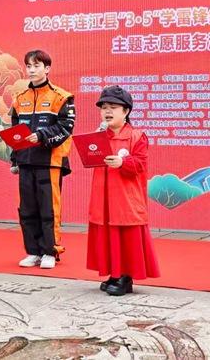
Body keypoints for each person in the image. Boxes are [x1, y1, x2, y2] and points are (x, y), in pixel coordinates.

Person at [86, 86, 160, 296]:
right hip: (103, 196)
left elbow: (141, 164)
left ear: (126, 111)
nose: (107, 111)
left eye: (113, 107)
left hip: (126, 198)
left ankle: (125, 277)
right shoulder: (99, 136)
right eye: (104, 108)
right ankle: (114, 274)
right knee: (108, 234)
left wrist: (123, 162)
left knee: (126, 235)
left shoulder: (137, 136)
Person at [10, 49, 75, 269]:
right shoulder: (20, 98)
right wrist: (15, 159)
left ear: (47, 68)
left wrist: (41, 135)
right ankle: (33, 251)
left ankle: (50, 251)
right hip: (26, 161)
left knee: (49, 208)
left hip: (50, 162)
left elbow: (66, 127)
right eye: (28, 66)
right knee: (27, 209)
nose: (31, 70)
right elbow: (15, 132)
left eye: (36, 66)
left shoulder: (61, 97)